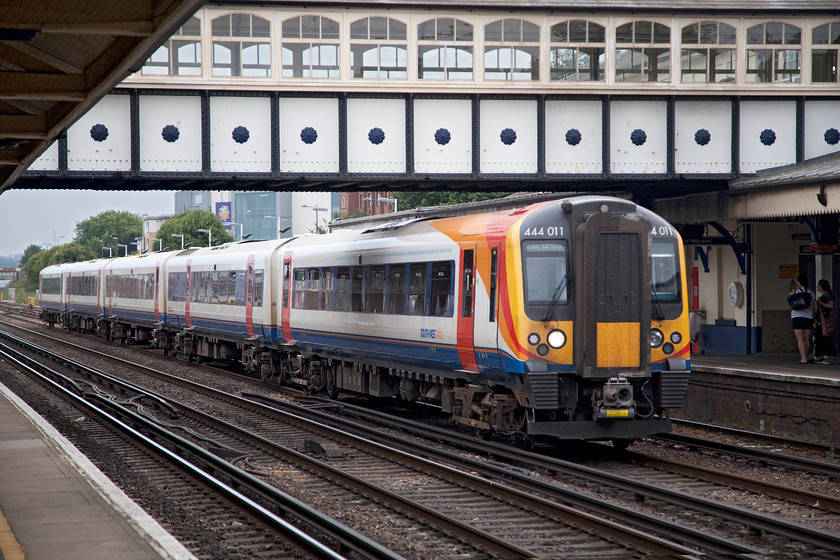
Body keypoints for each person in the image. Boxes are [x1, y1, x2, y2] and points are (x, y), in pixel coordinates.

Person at [789, 274, 816, 364]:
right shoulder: (811, 293)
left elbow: (789, 300)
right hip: (808, 317)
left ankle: (803, 358)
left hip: (797, 316)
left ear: (799, 282)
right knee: (806, 338)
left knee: (800, 338)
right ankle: (806, 356)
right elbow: (813, 307)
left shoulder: (795, 291)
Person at [814, 279, 835, 364]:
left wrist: (820, 302)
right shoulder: (824, 295)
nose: (817, 287)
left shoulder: (827, 295)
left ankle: (823, 356)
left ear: (821, 286)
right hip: (820, 321)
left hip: (824, 321)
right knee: (819, 338)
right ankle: (819, 356)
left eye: (818, 285)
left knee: (821, 338)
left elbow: (831, 305)